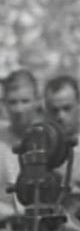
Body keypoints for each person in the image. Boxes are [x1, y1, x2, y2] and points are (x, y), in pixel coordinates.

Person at [0, 69, 42, 225]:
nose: (18, 109)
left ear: (38, 101)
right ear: (3, 103)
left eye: (25, 101)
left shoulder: (52, 139)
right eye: (12, 102)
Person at [44, 75, 80, 145]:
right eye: (55, 110)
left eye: (67, 108)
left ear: (79, 104)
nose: (61, 116)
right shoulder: (41, 144)